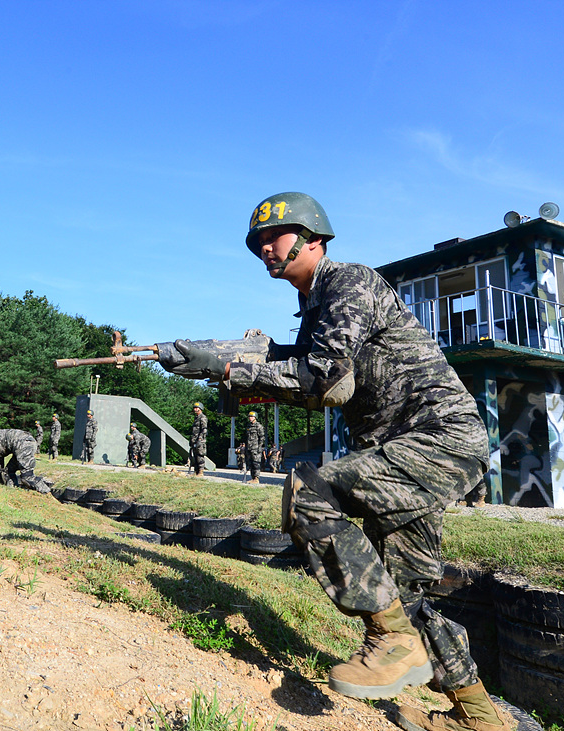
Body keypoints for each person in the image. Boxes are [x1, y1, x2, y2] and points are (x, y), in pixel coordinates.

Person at [161, 192, 508, 731]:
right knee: (405, 598)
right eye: (256, 244)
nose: (264, 250)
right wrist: (215, 361)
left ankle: (391, 640)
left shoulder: (349, 282)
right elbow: (314, 377)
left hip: (438, 438)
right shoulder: (316, 310)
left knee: (310, 491)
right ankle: (481, 717)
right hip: (404, 450)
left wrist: (236, 371)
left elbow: (321, 379)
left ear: (313, 238)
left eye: (273, 237)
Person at [244, 411, 266, 484]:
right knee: (250, 463)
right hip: (249, 448)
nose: (250, 418)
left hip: (255, 448)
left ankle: (256, 478)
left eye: (251, 417)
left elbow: (262, 437)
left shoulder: (258, 426)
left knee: (256, 463)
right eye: (249, 417)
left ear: (255, 417)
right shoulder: (248, 426)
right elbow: (246, 438)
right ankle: (252, 478)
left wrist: (259, 447)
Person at [189, 402, 208, 476]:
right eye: (194, 408)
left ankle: (201, 472)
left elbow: (204, 429)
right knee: (195, 456)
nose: (195, 409)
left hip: (200, 440)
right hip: (194, 439)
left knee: (200, 456)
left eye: (196, 408)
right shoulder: (196, 418)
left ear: (200, 409)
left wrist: (200, 439)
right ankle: (195, 471)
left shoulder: (202, 417)